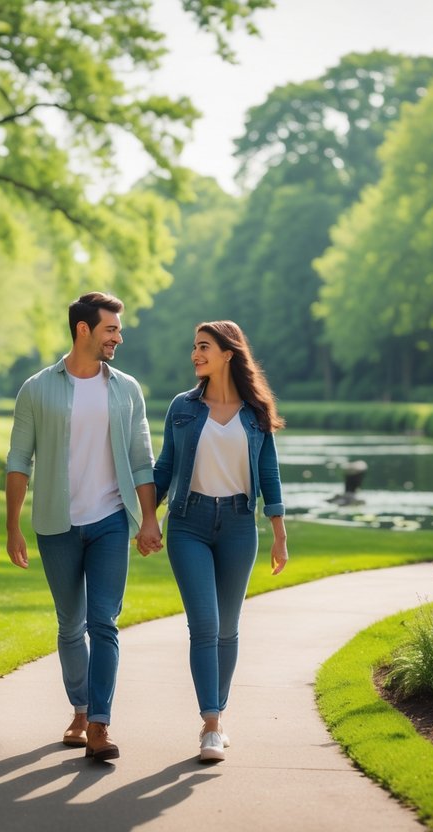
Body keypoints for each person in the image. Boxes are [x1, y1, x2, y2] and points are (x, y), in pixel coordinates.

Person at [5, 291, 162, 762]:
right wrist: (12, 527)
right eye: (111, 328)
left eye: (118, 329)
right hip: (57, 523)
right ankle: (79, 707)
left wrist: (149, 517)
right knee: (71, 625)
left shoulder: (126, 389)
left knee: (104, 622)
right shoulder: (37, 388)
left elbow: (141, 459)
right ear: (83, 330)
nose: (118, 336)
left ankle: (98, 723)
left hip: (111, 521)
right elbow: (19, 460)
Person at [153, 320, 288, 763]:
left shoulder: (255, 412)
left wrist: (279, 535)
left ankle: (219, 714)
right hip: (188, 523)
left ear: (229, 353)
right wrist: (145, 519)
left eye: (204, 346)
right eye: (194, 347)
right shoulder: (183, 407)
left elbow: (269, 475)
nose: (195, 354)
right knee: (205, 626)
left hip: (237, 525)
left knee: (228, 629)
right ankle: (210, 724)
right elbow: (165, 467)